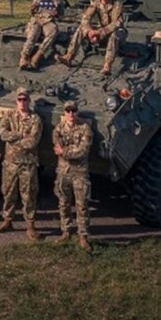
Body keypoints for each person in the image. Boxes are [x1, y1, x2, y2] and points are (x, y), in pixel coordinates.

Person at [0, 87, 43, 241]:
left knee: (28, 196)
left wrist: (14, 140)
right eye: (19, 100)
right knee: (8, 193)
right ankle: (7, 220)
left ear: (29, 101)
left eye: (25, 100)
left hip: (27, 165)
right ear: (16, 101)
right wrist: (21, 134)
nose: (22, 102)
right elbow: (3, 134)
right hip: (10, 163)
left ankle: (30, 225)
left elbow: (33, 142)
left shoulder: (35, 119)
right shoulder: (9, 115)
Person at [58, 0, 124, 75]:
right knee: (81, 29)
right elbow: (85, 18)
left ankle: (107, 65)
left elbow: (116, 24)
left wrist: (99, 32)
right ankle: (69, 57)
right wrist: (89, 31)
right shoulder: (96, 4)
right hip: (100, 33)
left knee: (115, 34)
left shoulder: (117, 5)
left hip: (117, 33)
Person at [53, 101, 93, 252]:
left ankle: (83, 236)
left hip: (79, 173)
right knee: (63, 203)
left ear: (77, 112)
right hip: (63, 172)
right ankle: (66, 231)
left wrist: (64, 152)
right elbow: (56, 144)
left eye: (74, 111)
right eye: (68, 111)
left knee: (81, 205)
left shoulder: (85, 129)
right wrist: (67, 150)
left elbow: (83, 150)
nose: (71, 114)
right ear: (64, 113)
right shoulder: (59, 128)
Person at [20, 0, 64, 70]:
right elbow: (32, 12)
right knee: (33, 34)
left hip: (48, 21)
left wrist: (56, 13)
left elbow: (61, 14)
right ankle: (24, 57)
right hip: (37, 19)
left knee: (53, 31)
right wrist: (32, 9)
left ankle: (37, 56)